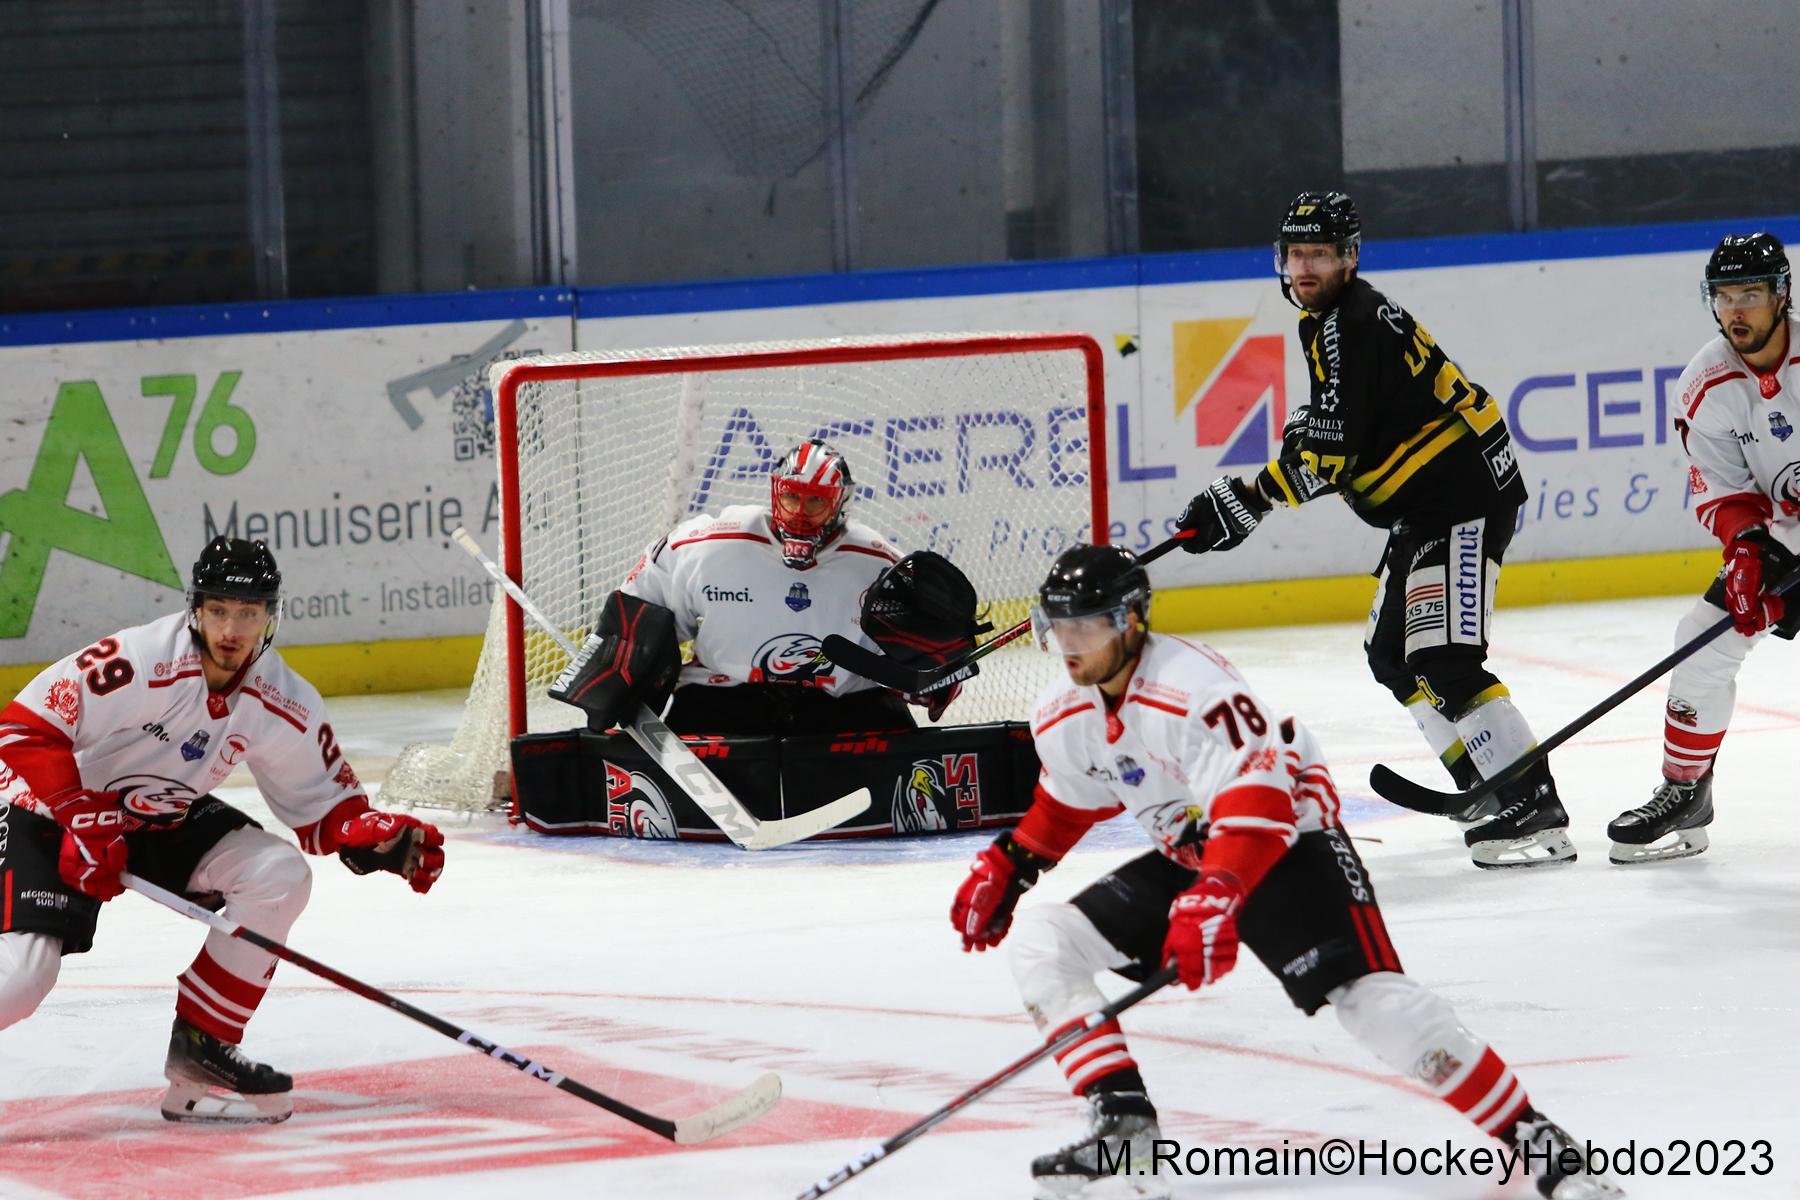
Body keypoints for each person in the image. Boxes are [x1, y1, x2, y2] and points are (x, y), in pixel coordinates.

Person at [950, 544, 1621, 1200]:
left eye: (1086, 627)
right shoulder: (1065, 708)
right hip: (1197, 857)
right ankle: (1124, 1129)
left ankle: (1543, 1146)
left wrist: (1215, 895)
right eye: (1059, 627)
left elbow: (1260, 805)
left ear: (1131, 622)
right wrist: (1015, 862)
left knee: (1376, 1006)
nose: (1069, 645)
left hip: (1284, 844)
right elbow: (1074, 795)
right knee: (1045, 940)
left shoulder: (1193, 688)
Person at [1172, 189, 1575, 869]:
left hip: (1461, 499)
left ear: (1349, 258)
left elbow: (1331, 455)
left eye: (1320, 254)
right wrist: (1271, 480)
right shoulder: (1334, 320)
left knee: (1443, 659)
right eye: (1296, 253)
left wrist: (1251, 497)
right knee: (1392, 654)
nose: (1305, 267)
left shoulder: (1349, 324)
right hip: (1431, 503)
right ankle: (1483, 784)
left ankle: (1531, 803)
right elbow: (1344, 439)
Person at [0, 537, 444, 1125]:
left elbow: (326, 809)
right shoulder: (138, 660)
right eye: (218, 611)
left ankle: (202, 1052)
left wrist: (366, 832)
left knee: (278, 876)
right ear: (196, 609)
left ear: (271, 616)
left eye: (248, 613)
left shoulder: (282, 698)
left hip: (151, 816)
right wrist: (78, 814)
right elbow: (24, 730)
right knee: (22, 978)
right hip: (42, 805)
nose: (231, 630)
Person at [560, 438, 984, 737]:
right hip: (721, 698)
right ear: (775, 493)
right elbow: (638, 607)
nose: (800, 513)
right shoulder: (706, 544)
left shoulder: (879, 564)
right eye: (792, 497)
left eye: (816, 501)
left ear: (839, 502)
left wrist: (935, 680)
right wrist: (615, 673)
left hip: (840, 707)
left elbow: (919, 663)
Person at [1607, 233, 1800, 864]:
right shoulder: (1706, 383)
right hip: (1788, 532)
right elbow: (1723, 487)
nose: (1735, 310)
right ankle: (1686, 792)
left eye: (1750, 294)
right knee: (1703, 640)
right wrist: (1747, 551)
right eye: (1724, 296)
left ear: (1781, 295)